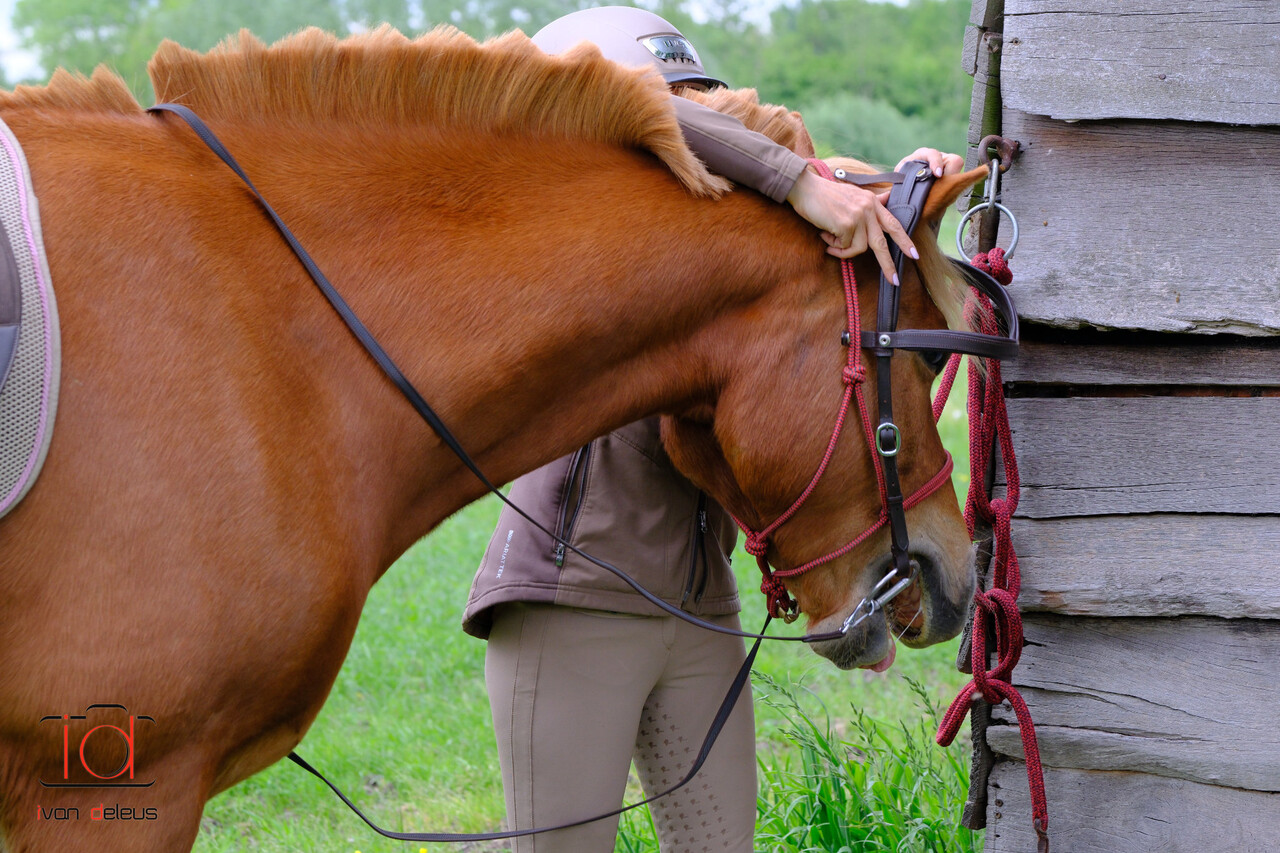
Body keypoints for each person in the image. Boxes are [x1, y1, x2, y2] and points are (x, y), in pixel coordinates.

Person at [462, 8, 963, 851]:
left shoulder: (728, 231)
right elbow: (659, 126)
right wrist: (800, 178)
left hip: (700, 605)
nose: (694, 114)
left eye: (700, 95)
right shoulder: (591, 248)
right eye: (672, 103)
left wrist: (906, 196)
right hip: (571, 603)